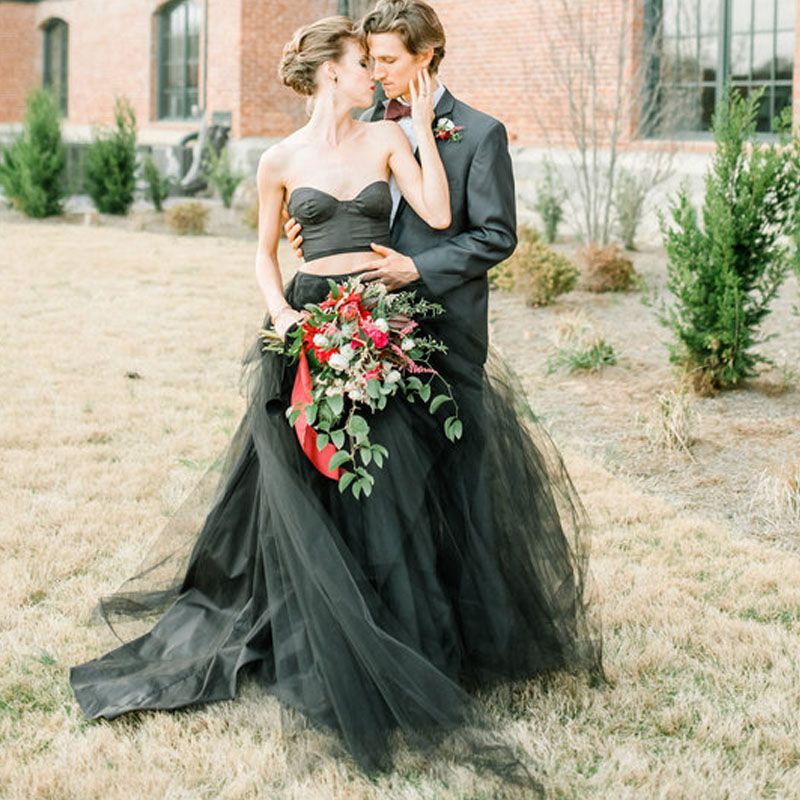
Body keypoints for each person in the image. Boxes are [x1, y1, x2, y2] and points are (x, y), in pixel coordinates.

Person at [68, 5, 604, 789]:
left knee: (394, 486)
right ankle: (310, 630)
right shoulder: (288, 154)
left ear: (423, 57)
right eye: (366, 62)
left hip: (403, 324)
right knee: (305, 483)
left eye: (386, 61)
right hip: (313, 320)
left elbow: (463, 225)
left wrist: (418, 146)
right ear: (334, 72)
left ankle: (406, 633)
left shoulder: (427, 130)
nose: (377, 74)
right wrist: (288, 304)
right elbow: (269, 246)